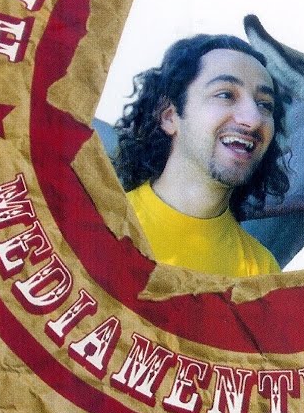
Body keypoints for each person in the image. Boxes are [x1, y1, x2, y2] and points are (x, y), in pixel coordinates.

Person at [112, 34, 289, 277]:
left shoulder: (262, 273)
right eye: (225, 95)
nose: (254, 119)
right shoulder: (97, 224)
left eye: (265, 104)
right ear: (169, 117)